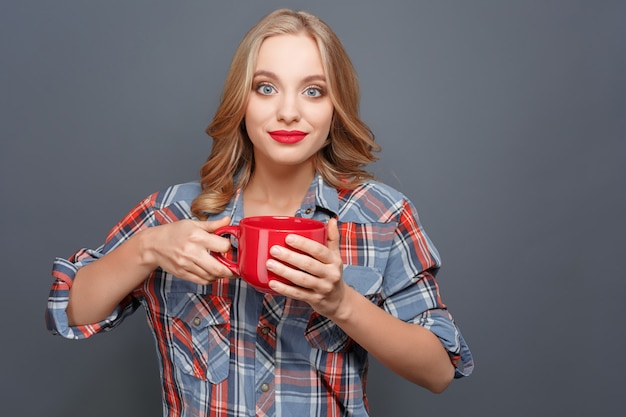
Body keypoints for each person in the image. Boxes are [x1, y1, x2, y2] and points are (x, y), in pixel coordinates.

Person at [46, 8, 473, 417]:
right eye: (266, 87)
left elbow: (438, 372)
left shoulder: (380, 216)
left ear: (335, 106)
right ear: (242, 101)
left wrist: (341, 303)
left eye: (313, 90)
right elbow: (70, 312)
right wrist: (147, 249)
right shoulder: (172, 212)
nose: (288, 111)